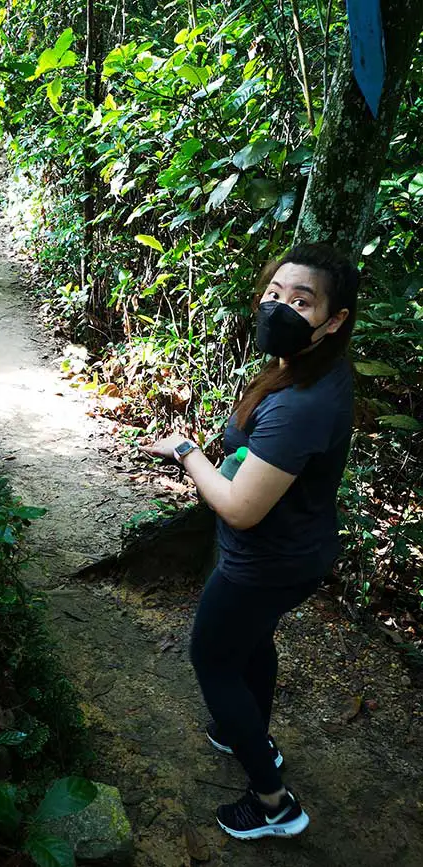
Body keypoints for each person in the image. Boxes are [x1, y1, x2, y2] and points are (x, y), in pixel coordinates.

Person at [147, 243, 359, 840]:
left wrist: (186, 451)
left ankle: (273, 804)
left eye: (302, 301)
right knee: (251, 642)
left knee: (213, 662)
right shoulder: (314, 368)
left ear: (334, 319)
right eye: (275, 292)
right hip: (296, 549)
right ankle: (248, 732)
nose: (281, 307)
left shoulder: (302, 404)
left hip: (266, 561)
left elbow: (240, 509)